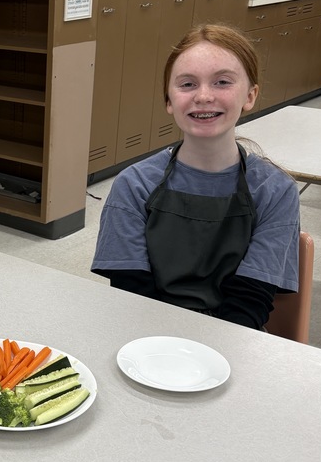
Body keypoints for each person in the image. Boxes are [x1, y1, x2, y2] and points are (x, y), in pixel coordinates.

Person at [91, 24, 300, 330]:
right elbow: (132, 292)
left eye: (222, 82)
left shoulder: (276, 191)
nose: (203, 96)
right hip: (145, 334)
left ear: (250, 95)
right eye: (187, 84)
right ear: (168, 101)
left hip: (233, 338)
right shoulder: (134, 185)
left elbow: (251, 299)